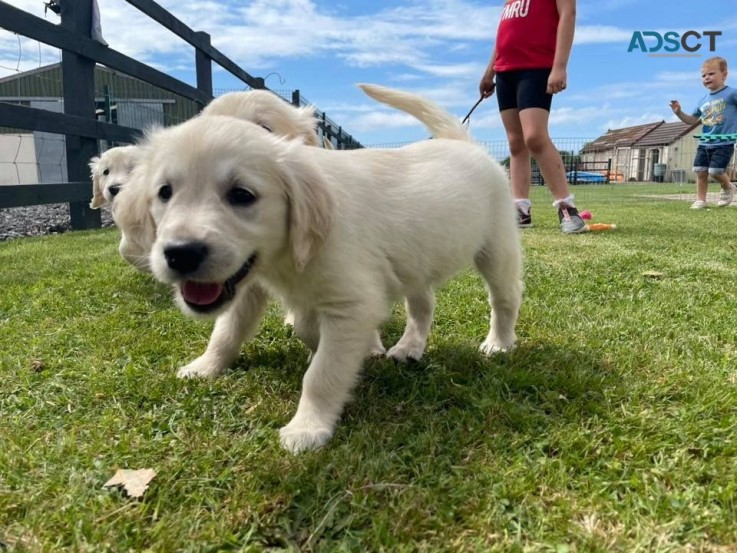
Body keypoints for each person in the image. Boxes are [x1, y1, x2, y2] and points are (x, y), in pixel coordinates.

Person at [479, 0, 586, 233]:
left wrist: (559, 66)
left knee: (535, 137)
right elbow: (502, 37)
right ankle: (520, 209)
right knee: (516, 143)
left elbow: (568, 15)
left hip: (536, 66)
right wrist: (489, 72)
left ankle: (567, 207)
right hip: (505, 71)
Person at [670, 56, 737, 210]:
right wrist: (679, 112)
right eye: (703, 75)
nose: (707, 77)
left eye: (711, 74)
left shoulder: (732, 94)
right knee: (700, 171)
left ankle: (727, 186)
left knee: (715, 171)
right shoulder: (702, 100)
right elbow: (692, 120)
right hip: (705, 142)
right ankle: (701, 200)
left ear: (724, 75)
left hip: (724, 142)